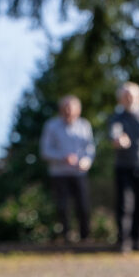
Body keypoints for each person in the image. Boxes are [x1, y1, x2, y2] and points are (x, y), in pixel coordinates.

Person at [107, 82, 139, 252]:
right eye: (126, 96)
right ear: (120, 99)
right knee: (124, 205)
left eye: (132, 95)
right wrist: (118, 140)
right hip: (123, 167)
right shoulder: (117, 117)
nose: (129, 99)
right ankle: (124, 240)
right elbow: (114, 132)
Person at [39, 95, 95, 242]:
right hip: (59, 173)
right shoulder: (51, 126)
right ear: (60, 109)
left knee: (83, 206)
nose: (69, 111)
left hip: (79, 173)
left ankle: (85, 237)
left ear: (78, 110)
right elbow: (45, 151)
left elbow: (90, 149)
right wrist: (62, 157)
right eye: (66, 108)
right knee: (62, 207)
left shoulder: (84, 125)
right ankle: (66, 236)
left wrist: (86, 161)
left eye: (72, 108)